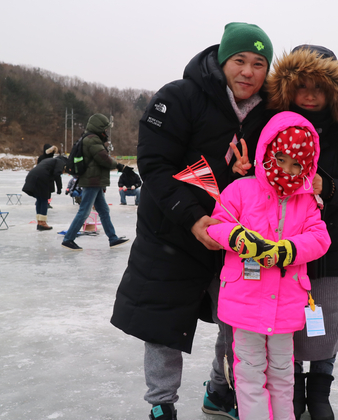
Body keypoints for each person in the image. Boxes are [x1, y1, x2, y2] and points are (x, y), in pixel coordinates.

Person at [110, 22, 273, 420]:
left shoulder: (270, 112)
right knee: (164, 323)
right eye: (239, 60)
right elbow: (154, 164)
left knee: (234, 322)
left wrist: (248, 174)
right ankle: (161, 405)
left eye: (259, 63)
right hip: (172, 231)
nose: (248, 72)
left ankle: (219, 390)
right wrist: (194, 219)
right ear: (222, 60)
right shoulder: (179, 97)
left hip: (232, 239)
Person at [266, 44, 338, 420]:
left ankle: (320, 391)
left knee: (325, 322)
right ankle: (293, 389)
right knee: (288, 325)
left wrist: (323, 186)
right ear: (287, 88)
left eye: (319, 87)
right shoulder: (273, 126)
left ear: (334, 91)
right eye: (302, 86)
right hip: (283, 248)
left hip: (333, 248)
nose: (310, 95)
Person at [207, 111, 331, 420]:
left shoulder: (307, 201)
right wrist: (236, 237)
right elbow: (216, 224)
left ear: (306, 168)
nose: (287, 171)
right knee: (248, 374)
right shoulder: (239, 190)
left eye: (296, 165)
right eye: (281, 159)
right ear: (267, 153)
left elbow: (320, 238)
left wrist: (287, 250)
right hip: (244, 303)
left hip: (286, 304)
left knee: (282, 374)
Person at [61, 113, 130, 251]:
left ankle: (113, 238)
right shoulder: (92, 139)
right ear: (98, 127)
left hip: (95, 180)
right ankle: (68, 239)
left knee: (104, 210)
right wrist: (120, 166)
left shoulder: (91, 138)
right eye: (104, 129)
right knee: (84, 211)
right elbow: (103, 158)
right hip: (92, 180)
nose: (106, 132)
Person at [22, 155, 67, 231]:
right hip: (41, 177)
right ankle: (43, 223)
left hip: (32, 176)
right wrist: (59, 188)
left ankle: (40, 222)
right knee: (44, 200)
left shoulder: (49, 161)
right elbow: (57, 174)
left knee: (39, 199)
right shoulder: (60, 162)